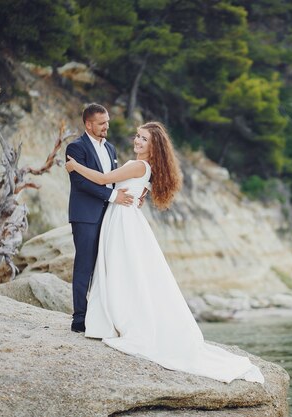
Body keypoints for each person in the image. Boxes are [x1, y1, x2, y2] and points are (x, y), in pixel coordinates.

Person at [65, 121, 264, 384]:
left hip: (123, 221)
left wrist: (75, 167)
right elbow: (137, 190)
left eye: (144, 139)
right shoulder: (146, 168)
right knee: (124, 270)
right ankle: (112, 317)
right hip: (124, 217)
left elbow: (103, 180)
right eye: (137, 136)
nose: (137, 141)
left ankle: (117, 319)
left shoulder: (138, 165)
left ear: (153, 146)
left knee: (121, 269)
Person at [66, 103, 134, 334]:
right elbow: (81, 183)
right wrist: (114, 196)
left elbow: (113, 178)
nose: (107, 126)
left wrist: (134, 194)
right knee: (84, 265)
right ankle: (79, 318)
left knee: (106, 266)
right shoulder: (75, 148)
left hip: (109, 216)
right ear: (88, 124)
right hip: (85, 215)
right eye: (102, 123)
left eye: (107, 122)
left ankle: (102, 315)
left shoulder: (111, 149)